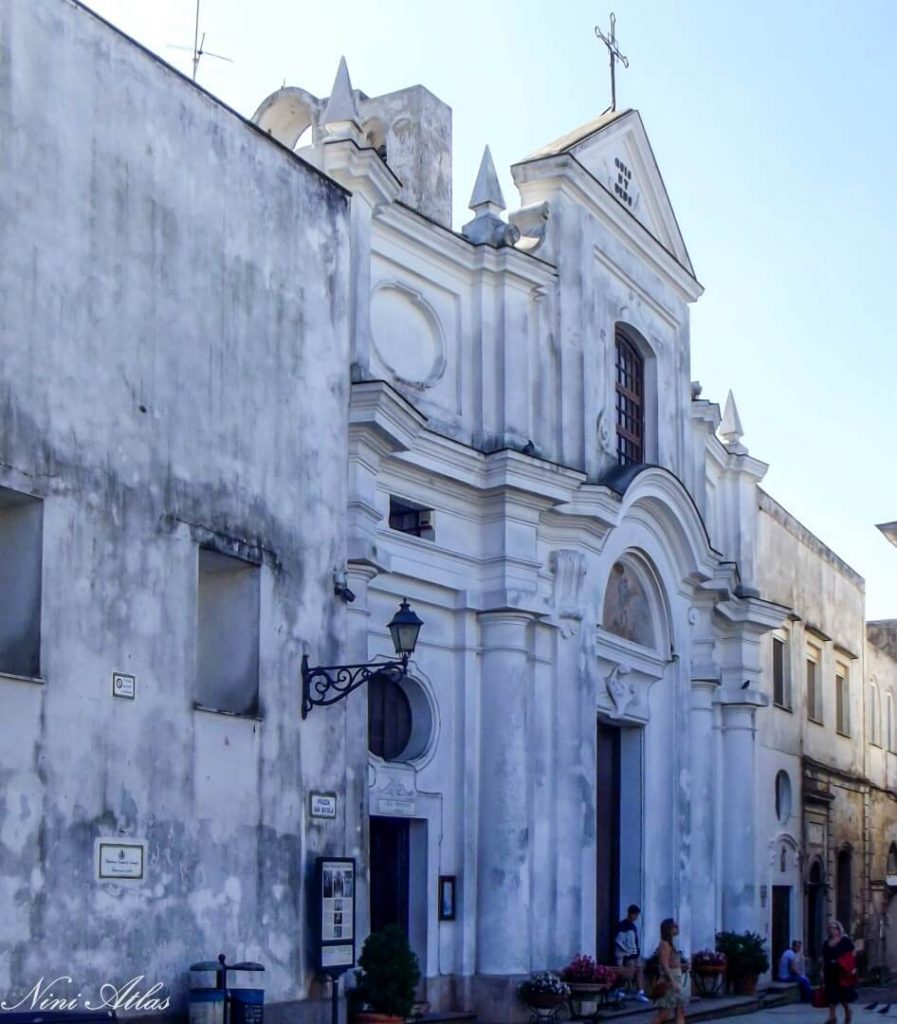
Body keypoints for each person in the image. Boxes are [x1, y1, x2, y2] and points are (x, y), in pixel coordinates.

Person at [651, 918, 689, 1024]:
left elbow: (672, 963)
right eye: (675, 926)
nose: (677, 928)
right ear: (668, 929)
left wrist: (682, 966)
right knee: (664, 1013)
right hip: (670, 980)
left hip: (675, 978)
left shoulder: (670, 944)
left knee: (679, 1010)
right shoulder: (665, 945)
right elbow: (664, 965)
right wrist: (673, 982)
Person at [821, 921, 857, 1024]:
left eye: (833, 928)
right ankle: (832, 1017)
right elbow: (824, 958)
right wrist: (822, 971)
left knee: (843, 995)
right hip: (829, 971)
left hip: (842, 972)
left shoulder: (845, 941)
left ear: (838, 929)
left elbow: (852, 954)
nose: (830, 930)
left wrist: (850, 966)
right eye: (829, 928)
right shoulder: (826, 943)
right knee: (831, 994)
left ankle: (848, 1012)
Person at [613, 904, 650, 1003]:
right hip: (627, 954)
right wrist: (626, 952)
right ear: (631, 914)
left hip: (634, 954)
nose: (636, 917)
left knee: (639, 969)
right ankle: (620, 988)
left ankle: (640, 991)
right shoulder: (623, 925)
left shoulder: (633, 926)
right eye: (635, 915)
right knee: (628, 972)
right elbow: (619, 940)